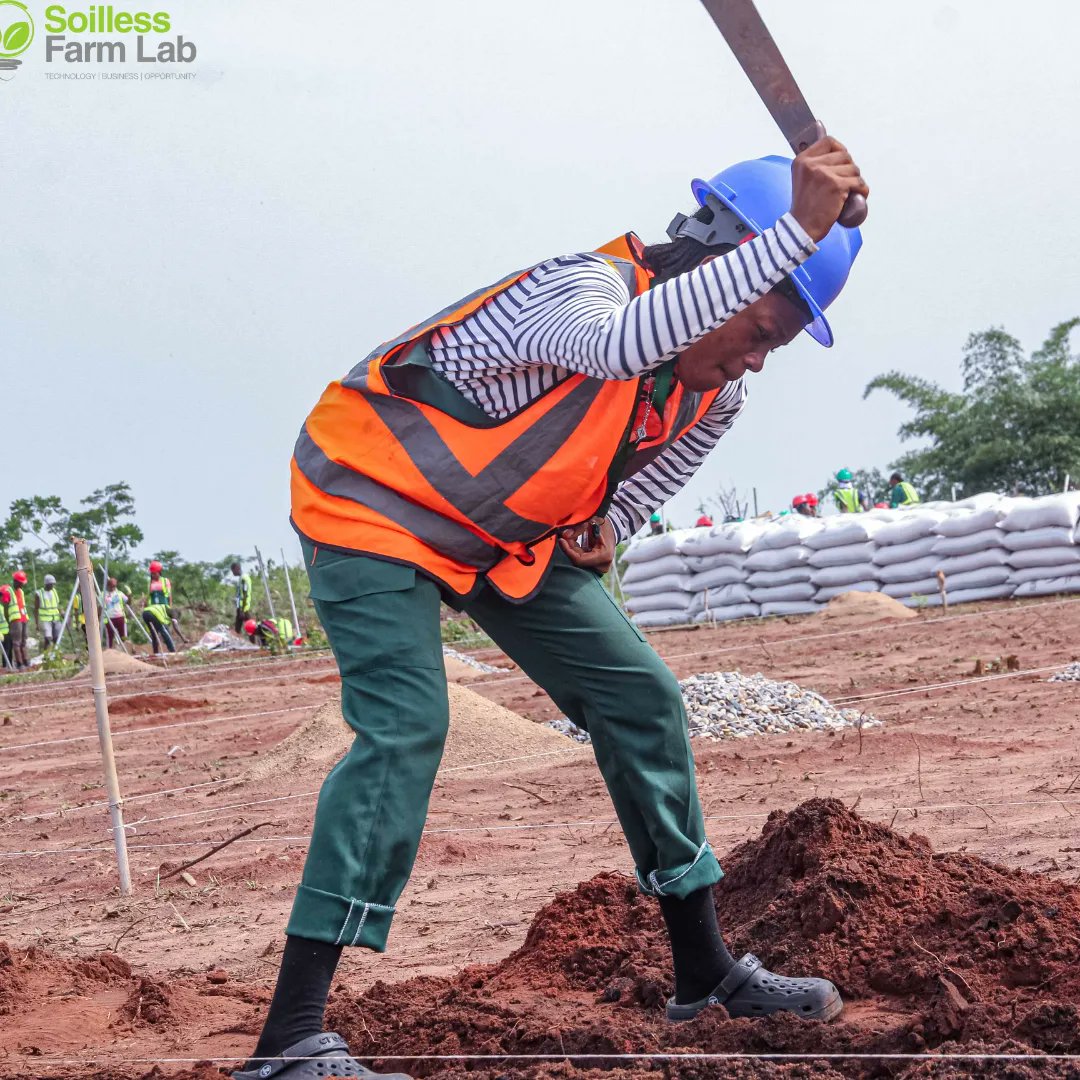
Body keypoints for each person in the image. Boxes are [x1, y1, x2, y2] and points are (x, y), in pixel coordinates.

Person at [235, 140, 867, 1080]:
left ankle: (705, 974)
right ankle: (288, 1039)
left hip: (500, 539)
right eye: (767, 330)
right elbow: (621, 345)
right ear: (731, 270)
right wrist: (799, 232)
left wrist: (607, 521)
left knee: (643, 697)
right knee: (408, 727)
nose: (760, 361)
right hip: (371, 504)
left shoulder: (712, 395)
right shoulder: (579, 290)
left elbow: (645, 481)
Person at [34, 574, 63, 654]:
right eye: (51, 584)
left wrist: (62, 611)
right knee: (48, 638)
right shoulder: (39, 593)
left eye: (53, 584)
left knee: (57, 637)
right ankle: (45, 655)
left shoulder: (54, 591)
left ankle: (56, 654)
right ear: (46, 584)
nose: (52, 585)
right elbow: (36, 609)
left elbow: (58, 604)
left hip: (56, 618)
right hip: (45, 620)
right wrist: (36, 624)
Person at [7, 571, 29, 670]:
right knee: (17, 642)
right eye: (21, 583)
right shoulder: (9, 591)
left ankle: (26, 660)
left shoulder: (21, 591)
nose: (22, 585)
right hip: (16, 620)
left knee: (24, 641)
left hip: (24, 618)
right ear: (16, 582)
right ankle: (20, 663)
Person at [101, 578, 129, 648]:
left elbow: (128, 602)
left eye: (114, 586)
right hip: (109, 618)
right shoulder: (103, 594)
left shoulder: (119, 593)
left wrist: (129, 594)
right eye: (112, 585)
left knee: (123, 636)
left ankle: (125, 650)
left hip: (120, 617)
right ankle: (109, 652)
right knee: (110, 637)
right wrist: (98, 619)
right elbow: (100, 607)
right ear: (108, 585)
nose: (113, 587)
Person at [232, 562, 253, 634]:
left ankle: (253, 643)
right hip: (242, 607)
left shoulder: (243, 578)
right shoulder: (242, 578)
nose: (233, 573)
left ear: (237, 568)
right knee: (238, 627)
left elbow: (244, 593)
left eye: (233, 570)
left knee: (250, 627)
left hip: (244, 607)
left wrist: (241, 610)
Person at [0, 585, 11, 669]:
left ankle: (8, 665)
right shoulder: (2, 607)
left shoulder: (2, 606)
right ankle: (5, 666)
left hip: (6, 630)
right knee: (6, 650)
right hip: (2, 632)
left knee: (8, 649)